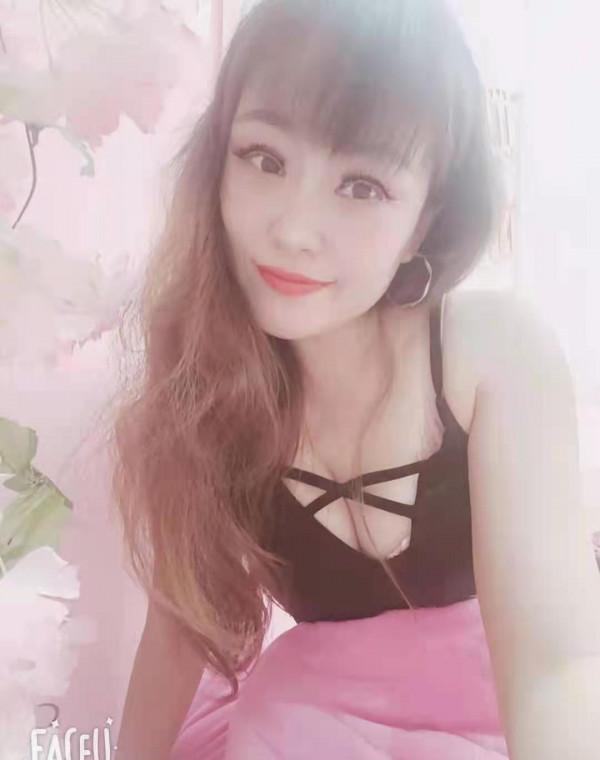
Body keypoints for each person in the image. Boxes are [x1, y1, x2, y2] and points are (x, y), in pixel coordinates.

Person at [111, 1, 600, 758]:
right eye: (265, 158)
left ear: (426, 220)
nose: (293, 230)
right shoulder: (204, 393)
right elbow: (178, 631)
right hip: (315, 723)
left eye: (363, 186)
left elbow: (554, 670)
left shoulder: (490, 353)